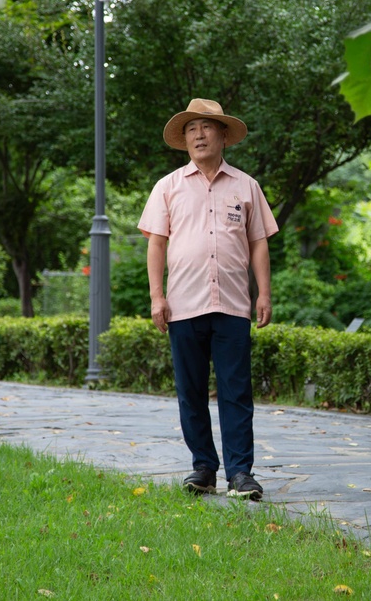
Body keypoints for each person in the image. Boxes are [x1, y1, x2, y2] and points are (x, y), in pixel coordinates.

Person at [138, 98, 278, 501]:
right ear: (184, 140)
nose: (199, 135)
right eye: (191, 129)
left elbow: (258, 244)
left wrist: (263, 293)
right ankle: (203, 467)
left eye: (206, 127)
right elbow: (156, 245)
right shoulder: (168, 186)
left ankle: (240, 473)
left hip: (233, 304)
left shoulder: (246, 185)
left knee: (237, 391)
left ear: (223, 136)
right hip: (183, 305)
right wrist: (156, 297)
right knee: (191, 391)